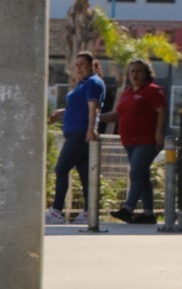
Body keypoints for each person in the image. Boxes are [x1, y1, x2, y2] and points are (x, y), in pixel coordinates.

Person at [105, 59, 167, 224]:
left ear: (146, 74)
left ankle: (128, 208)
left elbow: (162, 111)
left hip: (147, 141)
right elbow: (117, 115)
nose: (135, 74)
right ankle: (148, 214)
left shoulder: (153, 91)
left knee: (136, 173)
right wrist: (95, 118)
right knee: (142, 176)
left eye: (139, 71)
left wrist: (159, 132)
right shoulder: (127, 93)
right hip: (129, 141)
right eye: (132, 71)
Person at [47, 52, 105, 224]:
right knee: (85, 174)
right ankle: (89, 212)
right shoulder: (84, 83)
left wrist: (91, 129)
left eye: (82, 64)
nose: (79, 68)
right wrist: (61, 113)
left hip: (81, 133)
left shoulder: (94, 82)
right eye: (76, 65)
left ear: (92, 64)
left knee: (61, 169)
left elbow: (93, 108)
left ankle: (56, 210)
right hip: (75, 132)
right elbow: (78, 107)